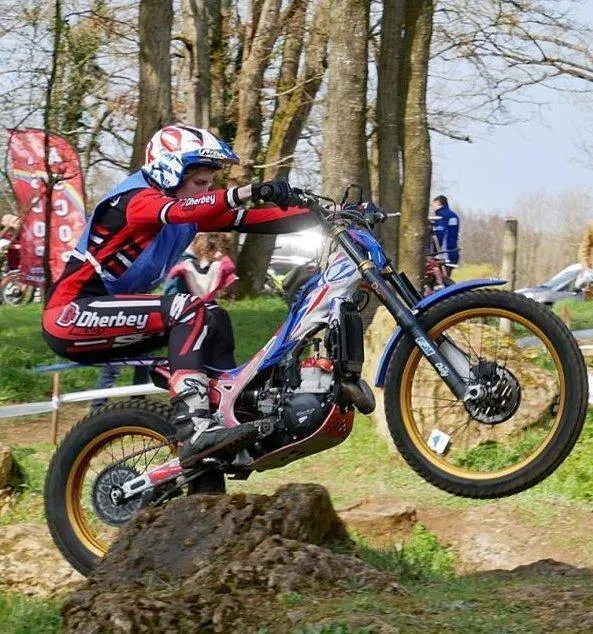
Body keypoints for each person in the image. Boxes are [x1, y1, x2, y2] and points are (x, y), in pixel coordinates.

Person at [42, 124, 314, 468]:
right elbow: (188, 209)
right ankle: (195, 425)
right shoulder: (134, 200)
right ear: (169, 172)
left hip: (106, 314)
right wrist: (250, 190)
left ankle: (225, 418)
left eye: (210, 183)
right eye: (200, 183)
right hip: (71, 314)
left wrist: (324, 215)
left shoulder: (185, 211)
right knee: (188, 309)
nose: (207, 190)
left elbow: (251, 219)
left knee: (214, 317)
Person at [430, 195, 460, 274]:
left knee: (440, 277)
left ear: (438, 203)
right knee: (446, 277)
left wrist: (432, 251)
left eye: (433, 204)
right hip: (452, 253)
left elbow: (439, 235)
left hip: (443, 255)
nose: (432, 207)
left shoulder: (442, 216)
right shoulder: (453, 215)